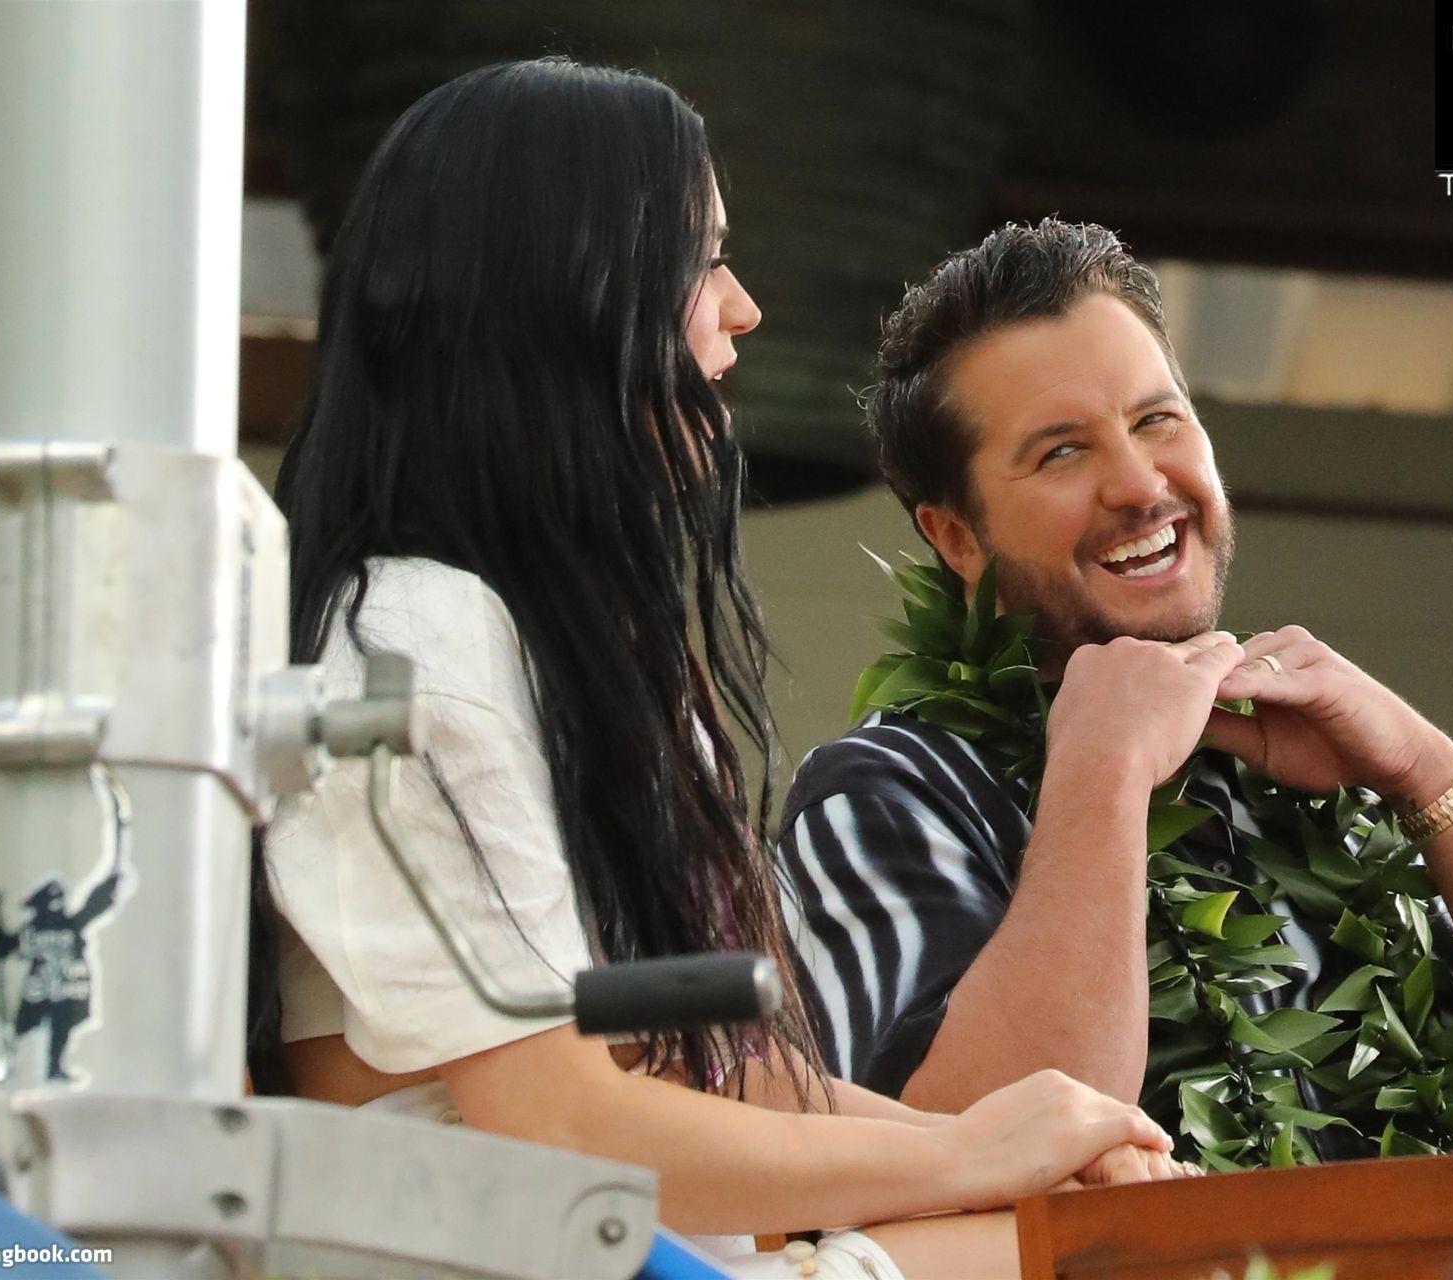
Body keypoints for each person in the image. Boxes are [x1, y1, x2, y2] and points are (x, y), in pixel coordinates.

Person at [251, 62, 1189, 1280]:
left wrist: (1034, 1153)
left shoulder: (578, 648)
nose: (741, 310)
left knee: (1125, 1230)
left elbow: (742, 1075)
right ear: (566, 292)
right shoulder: (412, 634)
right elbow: (555, 1122)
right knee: (1125, 1256)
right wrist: (975, 1154)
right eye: (702, 262)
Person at [778, 219, 1453, 1133]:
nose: (1138, 484)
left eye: (1156, 421)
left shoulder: (1322, 763)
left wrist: (1430, 777)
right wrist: (1105, 774)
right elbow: (975, 1159)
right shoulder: (885, 793)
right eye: (1062, 451)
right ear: (958, 538)